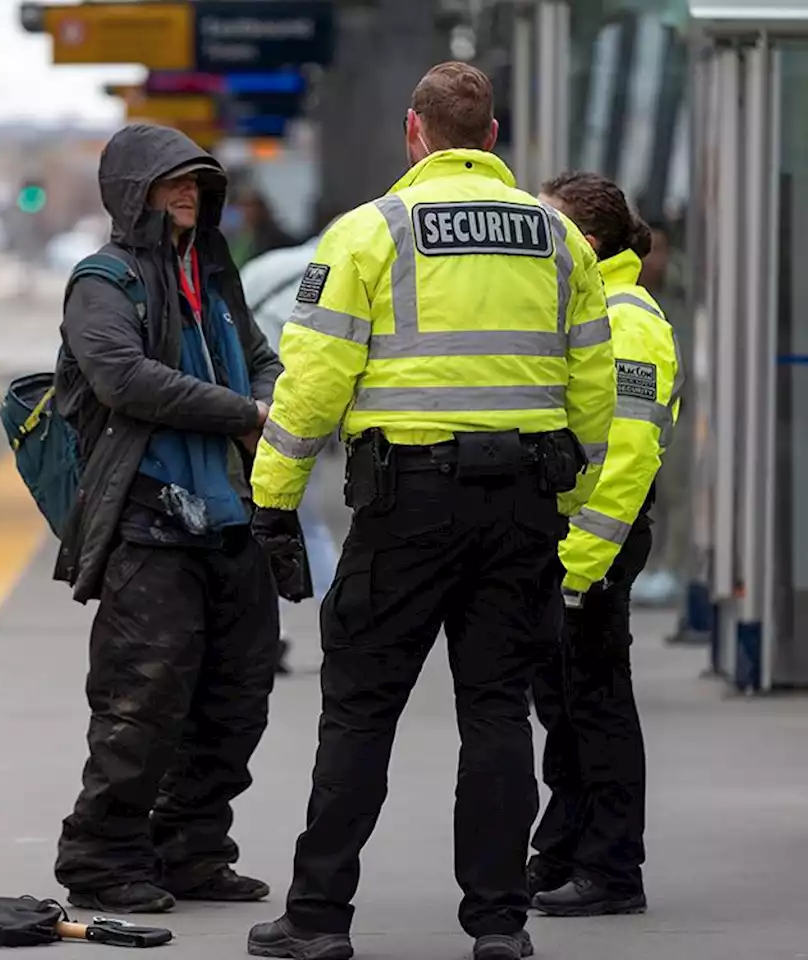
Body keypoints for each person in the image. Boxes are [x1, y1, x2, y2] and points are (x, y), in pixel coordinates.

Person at [244, 61, 617, 960]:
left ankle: (320, 920)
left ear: (415, 132)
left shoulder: (369, 234)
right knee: (495, 712)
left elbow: (312, 385)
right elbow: (594, 390)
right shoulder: (559, 240)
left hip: (405, 507)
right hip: (522, 506)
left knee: (361, 712)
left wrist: (272, 501)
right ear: (491, 138)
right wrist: (567, 492)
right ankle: (498, 925)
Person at [51, 123, 285, 915]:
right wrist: (242, 414)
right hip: (149, 526)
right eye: (171, 182)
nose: (189, 193)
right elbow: (123, 378)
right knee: (141, 702)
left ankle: (190, 848)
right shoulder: (104, 281)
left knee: (236, 695)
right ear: (132, 193)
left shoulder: (213, 273)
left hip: (229, 521)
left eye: (198, 182)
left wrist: (270, 397)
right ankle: (102, 856)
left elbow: (260, 354)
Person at [526, 172, 684, 918]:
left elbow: (628, 457)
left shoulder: (629, 319)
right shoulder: (590, 305)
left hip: (598, 543)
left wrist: (580, 565)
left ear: (584, 241)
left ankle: (614, 869)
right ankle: (564, 848)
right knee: (563, 703)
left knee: (597, 704)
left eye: (548, 224)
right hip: (575, 542)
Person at [239, 220, 344, 674]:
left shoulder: (268, 266)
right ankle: (345, 623)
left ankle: (269, 632)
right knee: (310, 520)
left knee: (256, 516)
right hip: (308, 403)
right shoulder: (346, 272)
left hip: (250, 405)